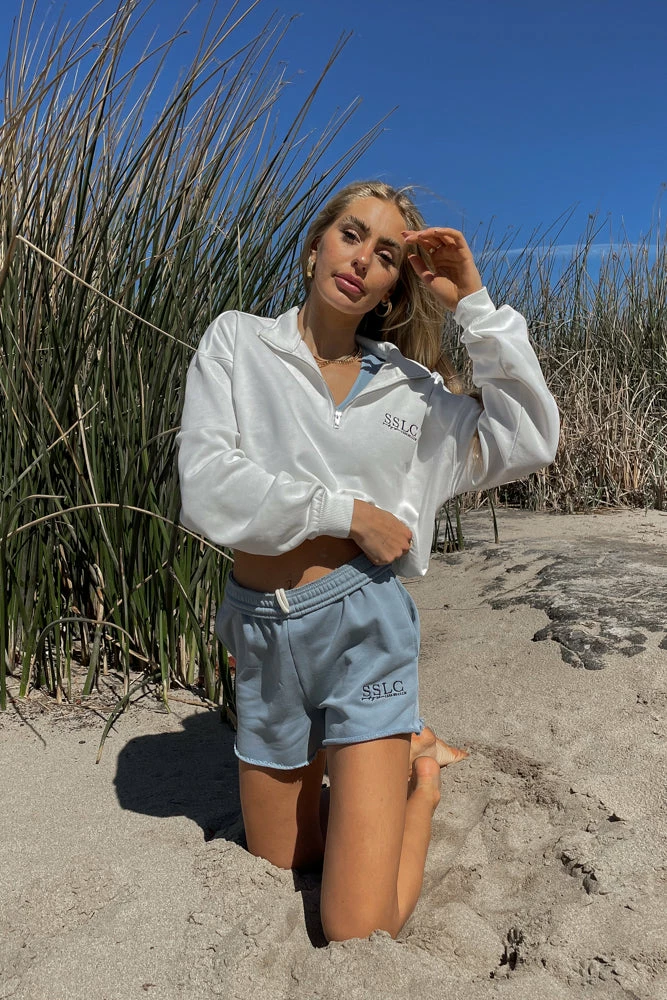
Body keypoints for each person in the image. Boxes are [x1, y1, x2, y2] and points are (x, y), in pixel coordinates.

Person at [177, 180, 560, 943]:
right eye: (351, 235)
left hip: (364, 629)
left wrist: (473, 304)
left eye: (385, 254)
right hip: (262, 635)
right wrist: (346, 514)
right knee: (287, 857)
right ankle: (392, 749)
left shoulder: (410, 390)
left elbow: (527, 440)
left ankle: (420, 786)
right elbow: (206, 488)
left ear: (392, 286)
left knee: (355, 926)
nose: (361, 259)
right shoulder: (238, 342)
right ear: (313, 247)